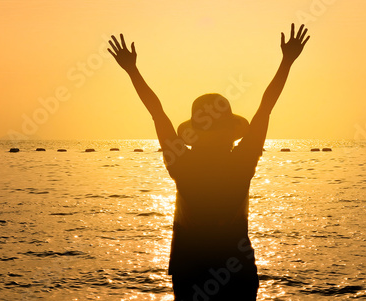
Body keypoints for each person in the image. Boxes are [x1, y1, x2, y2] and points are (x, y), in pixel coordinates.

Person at [108, 23, 310, 300]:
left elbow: (157, 113)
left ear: (195, 135)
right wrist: (287, 61)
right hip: (236, 270)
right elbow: (266, 107)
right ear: (230, 133)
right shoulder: (242, 160)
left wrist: (132, 70)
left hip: (190, 270)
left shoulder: (182, 163)